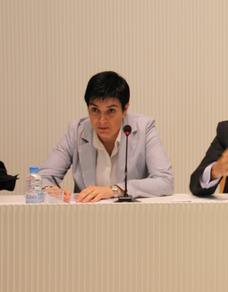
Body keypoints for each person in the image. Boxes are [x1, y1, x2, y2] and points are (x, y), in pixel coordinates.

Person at [39, 71, 174, 202]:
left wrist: (115, 190)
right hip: (88, 214)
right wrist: (49, 189)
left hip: (132, 214)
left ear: (125, 109)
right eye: (95, 110)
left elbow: (165, 182)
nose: (102, 120)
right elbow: (43, 178)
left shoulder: (144, 128)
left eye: (111, 111)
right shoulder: (76, 131)